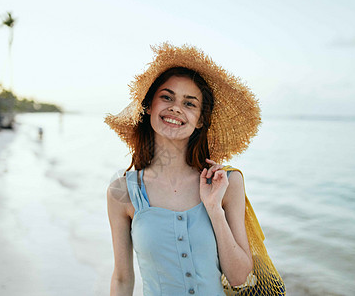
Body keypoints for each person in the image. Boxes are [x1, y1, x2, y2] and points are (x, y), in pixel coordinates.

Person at [105, 43, 262, 296]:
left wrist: (214, 209)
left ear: (200, 119)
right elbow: (123, 279)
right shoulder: (122, 191)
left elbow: (240, 278)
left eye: (189, 104)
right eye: (166, 97)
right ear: (149, 107)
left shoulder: (226, 183)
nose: (176, 108)